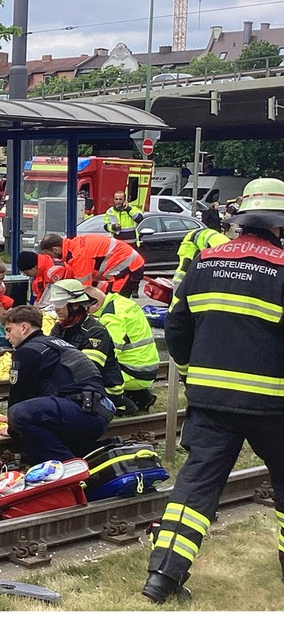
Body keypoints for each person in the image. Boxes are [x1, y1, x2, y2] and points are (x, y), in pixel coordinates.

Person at [142, 178, 284, 603]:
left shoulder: (205, 262)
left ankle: (162, 578)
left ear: (241, 221)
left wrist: (189, 373)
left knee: (195, 487)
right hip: (273, 404)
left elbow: (177, 326)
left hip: (208, 400)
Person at [0, 305, 114, 465]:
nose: (7, 336)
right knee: (33, 450)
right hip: (95, 410)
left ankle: (71, 469)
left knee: (18, 413)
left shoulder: (27, 351)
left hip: (80, 411)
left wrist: (12, 428)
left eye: (9, 330)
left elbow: (19, 395)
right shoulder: (54, 343)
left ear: (24, 328)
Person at [44, 280, 125, 408]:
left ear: (75, 305)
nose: (56, 308)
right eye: (54, 303)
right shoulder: (60, 327)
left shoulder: (95, 331)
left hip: (103, 390)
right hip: (75, 384)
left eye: (60, 303)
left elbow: (89, 372)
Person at [82, 285, 159, 414]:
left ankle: (123, 404)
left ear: (94, 304)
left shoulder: (112, 317)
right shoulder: (121, 301)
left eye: (86, 310)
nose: (87, 314)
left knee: (93, 376)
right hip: (146, 365)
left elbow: (107, 352)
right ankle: (141, 396)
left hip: (134, 371)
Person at [39, 233, 145, 298]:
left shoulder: (77, 256)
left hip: (129, 267)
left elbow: (84, 288)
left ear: (56, 249)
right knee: (109, 300)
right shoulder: (74, 245)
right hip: (126, 264)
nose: (52, 258)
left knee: (115, 304)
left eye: (50, 254)